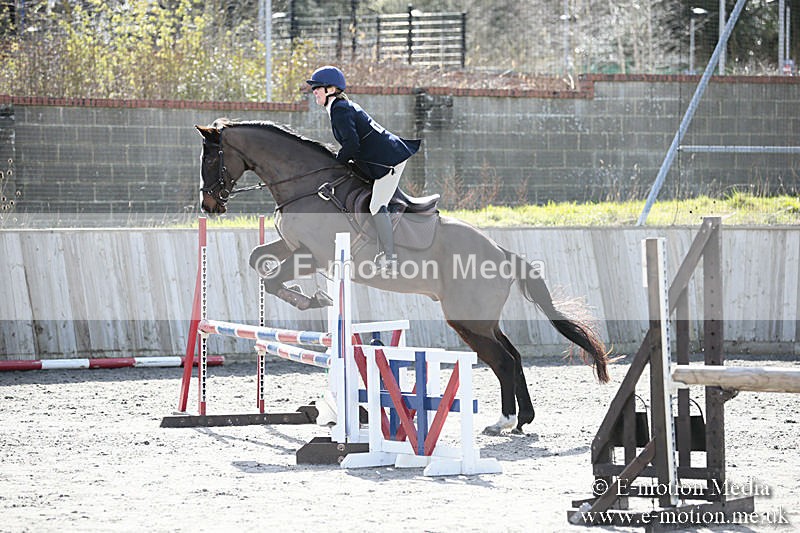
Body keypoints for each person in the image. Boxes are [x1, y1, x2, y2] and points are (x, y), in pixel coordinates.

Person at [306, 66, 420, 269]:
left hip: (389, 161)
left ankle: (390, 257)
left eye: (317, 87)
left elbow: (351, 145)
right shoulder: (340, 106)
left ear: (331, 89)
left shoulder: (340, 109)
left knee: (376, 205)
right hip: (379, 157)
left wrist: (336, 164)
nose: (314, 91)